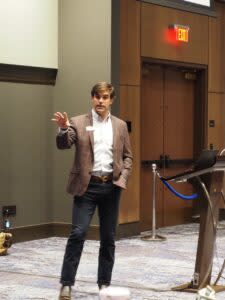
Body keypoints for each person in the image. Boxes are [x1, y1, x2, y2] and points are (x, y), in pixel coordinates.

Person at [52, 82, 133, 300]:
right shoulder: (78, 122)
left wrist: (122, 178)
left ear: (111, 100)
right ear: (92, 98)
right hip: (86, 187)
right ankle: (66, 284)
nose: (100, 101)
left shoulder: (120, 126)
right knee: (78, 233)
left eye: (105, 97)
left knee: (108, 238)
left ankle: (104, 284)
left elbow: (128, 156)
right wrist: (62, 128)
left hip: (111, 187)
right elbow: (63, 144)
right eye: (97, 97)